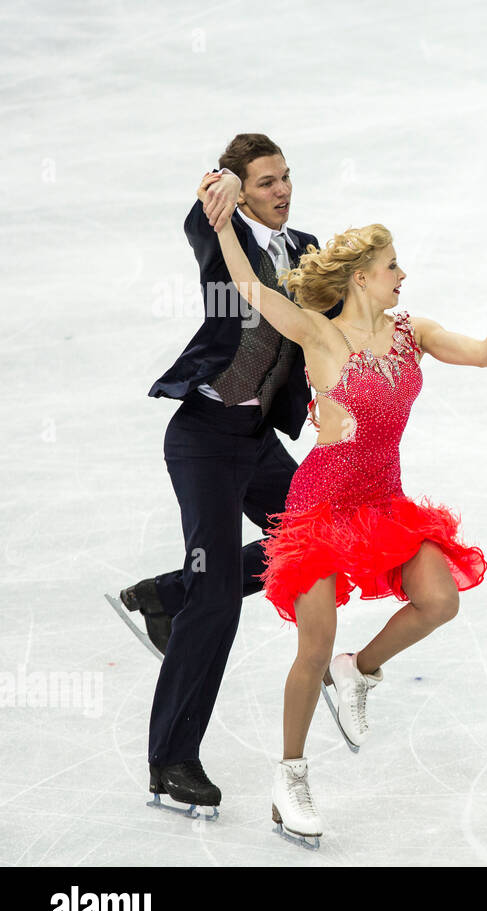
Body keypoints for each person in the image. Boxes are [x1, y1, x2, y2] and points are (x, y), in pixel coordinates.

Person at [207, 206, 487, 847]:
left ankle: (358, 669)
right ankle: (291, 776)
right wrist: (224, 224)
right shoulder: (318, 334)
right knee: (311, 646)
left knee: (440, 599)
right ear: (361, 278)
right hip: (323, 504)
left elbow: (481, 357)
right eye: (392, 265)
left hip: (381, 501)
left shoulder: (408, 332)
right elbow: (252, 290)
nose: (402, 274)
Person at [116, 133, 341, 816]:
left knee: (320, 536)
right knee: (217, 601)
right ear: (242, 190)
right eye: (267, 181)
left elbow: (332, 323)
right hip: (205, 437)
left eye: (286, 178)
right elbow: (202, 208)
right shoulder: (219, 233)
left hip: (257, 438)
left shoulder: (306, 249)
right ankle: (171, 762)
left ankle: (168, 593)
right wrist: (215, 185)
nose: (283, 191)